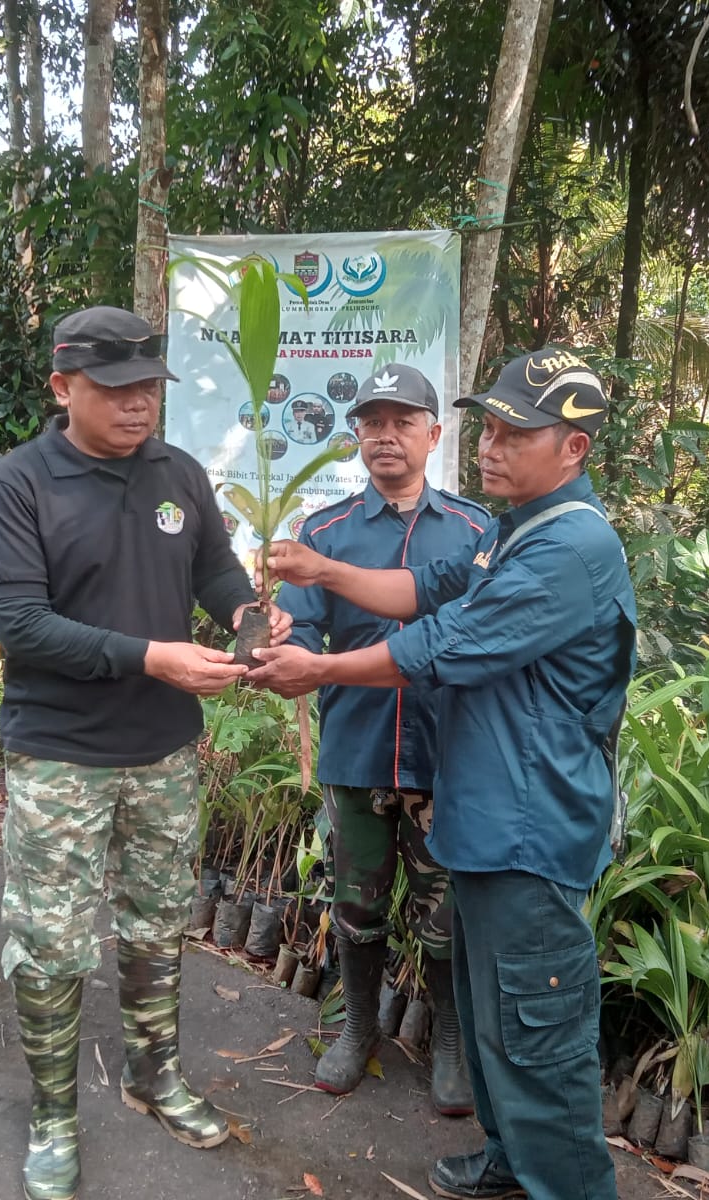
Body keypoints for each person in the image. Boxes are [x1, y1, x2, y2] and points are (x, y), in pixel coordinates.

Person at [248, 348, 634, 1200]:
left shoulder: (569, 546)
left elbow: (440, 644)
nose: (491, 448)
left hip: (531, 829)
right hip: (484, 817)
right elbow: (425, 588)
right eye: (487, 430)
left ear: (574, 448)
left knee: (538, 1026)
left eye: (514, 435)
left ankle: (565, 1184)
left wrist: (321, 670)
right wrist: (321, 571)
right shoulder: (511, 529)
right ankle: (510, 1162)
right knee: (497, 1013)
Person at [0, 305, 290, 1200]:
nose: (137, 403)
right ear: (62, 387)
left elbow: (213, 567)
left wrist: (244, 614)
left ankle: (155, 1074)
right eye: (115, 389)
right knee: (51, 940)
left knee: (157, 919)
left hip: (163, 749)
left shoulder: (176, 472)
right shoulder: (19, 483)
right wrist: (153, 656)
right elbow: (22, 624)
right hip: (60, 752)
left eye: (149, 386)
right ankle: (54, 1116)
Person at [277, 364, 488, 1114]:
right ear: (356, 437)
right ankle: (358, 1025)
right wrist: (282, 648)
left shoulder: (475, 533)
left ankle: (450, 1042)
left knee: (447, 914)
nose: (387, 436)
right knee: (356, 904)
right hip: (357, 750)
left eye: (403, 422)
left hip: (447, 758)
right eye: (373, 423)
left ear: (434, 435)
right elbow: (299, 628)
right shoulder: (323, 534)